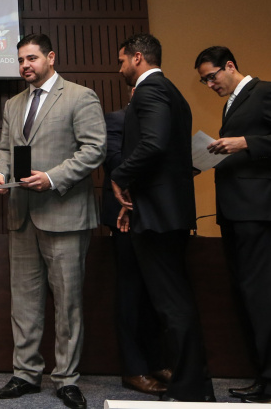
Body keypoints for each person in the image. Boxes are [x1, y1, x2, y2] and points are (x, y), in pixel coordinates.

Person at [0, 33, 105, 409]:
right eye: (21, 60)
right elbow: (5, 149)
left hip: (64, 214)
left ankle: (67, 378)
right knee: (24, 302)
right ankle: (25, 373)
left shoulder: (79, 95)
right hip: (21, 215)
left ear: (51, 58)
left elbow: (95, 149)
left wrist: (52, 177)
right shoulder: (13, 104)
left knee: (68, 304)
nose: (25, 65)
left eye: (32, 58)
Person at [194, 46, 271, 404]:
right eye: (204, 80)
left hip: (259, 211)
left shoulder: (265, 91)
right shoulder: (233, 102)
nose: (210, 84)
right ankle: (267, 380)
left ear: (230, 66)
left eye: (212, 76)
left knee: (263, 299)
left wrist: (246, 142)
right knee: (250, 300)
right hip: (238, 212)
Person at [110, 34, 214, 402]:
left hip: (158, 216)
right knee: (176, 302)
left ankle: (190, 389)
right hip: (164, 210)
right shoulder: (172, 91)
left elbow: (152, 144)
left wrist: (120, 176)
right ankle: (195, 384)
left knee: (172, 306)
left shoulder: (150, 90)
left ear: (138, 58)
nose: (119, 67)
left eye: (122, 60)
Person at [101, 93, 170, 397]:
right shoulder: (115, 120)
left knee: (156, 294)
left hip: (160, 216)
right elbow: (117, 163)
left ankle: (156, 362)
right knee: (130, 293)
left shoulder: (165, 122)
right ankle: (134, 368)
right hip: (124, 214)